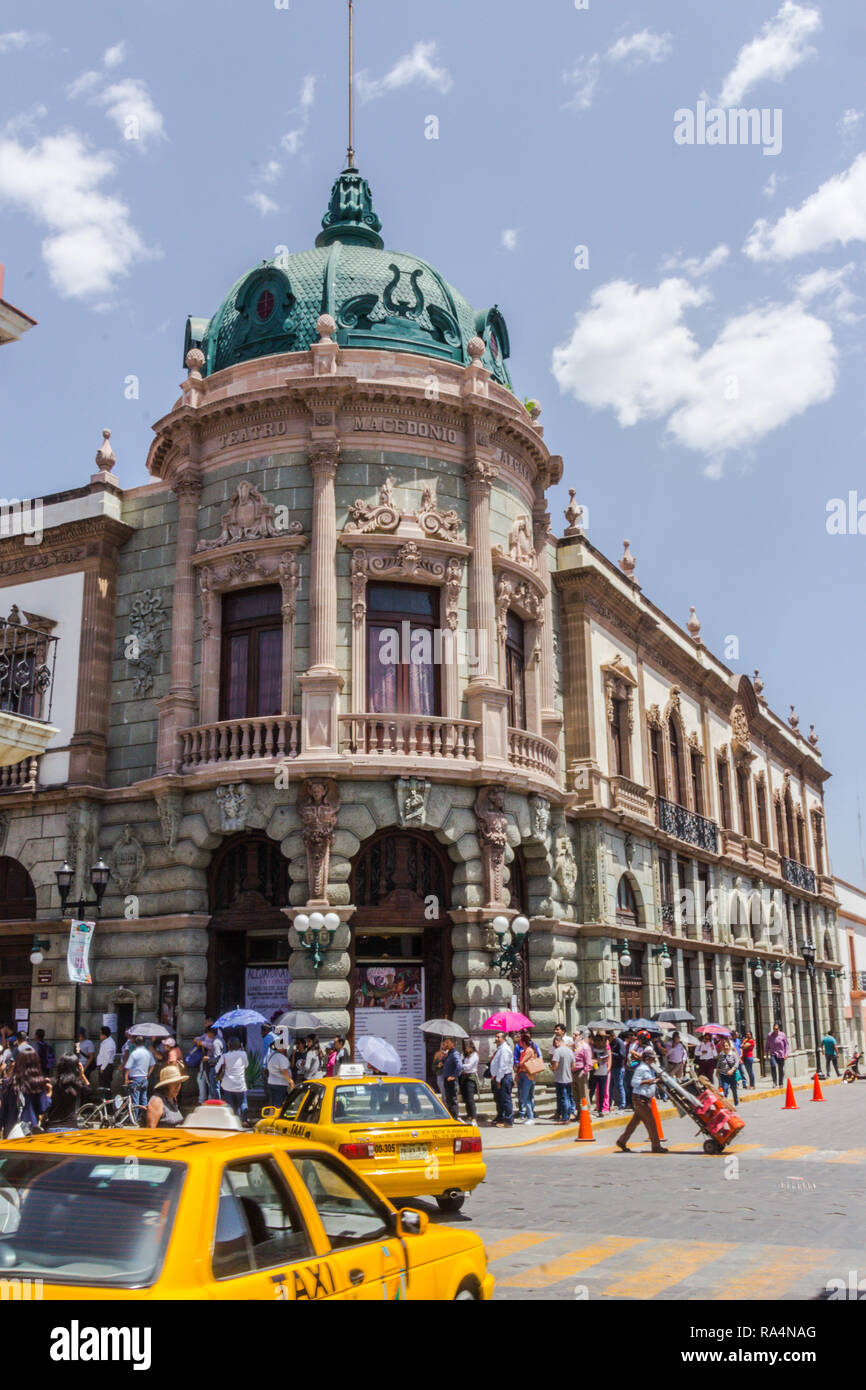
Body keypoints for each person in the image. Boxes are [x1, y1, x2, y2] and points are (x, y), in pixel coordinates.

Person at [615, 1047, 669, 1154]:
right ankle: (656, 1146)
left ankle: (622, 1141)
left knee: (634, 1123)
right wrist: (648, 1081)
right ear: (647, 1059)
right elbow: (633, 1083)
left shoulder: (650, 1069)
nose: (654, 1061)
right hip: (640, 1099)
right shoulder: (642, 1069)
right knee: (652, 1123)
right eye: (653, 1059)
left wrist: (656, 1080)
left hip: (645, 1099)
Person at [0, 1047, 50, 1138]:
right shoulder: (38, 1083)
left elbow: (3, 1110)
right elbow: (42, 1108)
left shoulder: (8, 1083)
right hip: (30, 1130)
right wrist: (49, 1094)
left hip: (11, 1129)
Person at [42, 1054, 93, 1131]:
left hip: (52, 1126)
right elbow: (89, 1090)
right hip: (71, 1127)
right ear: (77, 1067)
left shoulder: (51, 1082)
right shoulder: (76, 1084)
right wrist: (82, 1075)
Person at [146, 1064, 188, 1128]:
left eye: (179, 1083)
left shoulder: (172, 1100)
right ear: (165, 1085)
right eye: (174, 1083)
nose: (177, 1086)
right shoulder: (157, 1101)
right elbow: (151, 1129)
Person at [218, 1038, 249, 1121]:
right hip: (240, 1083)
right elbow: (246, 1065)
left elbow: (217, 1068)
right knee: (243, 1103)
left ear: (228, 1046)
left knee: (230, 1104)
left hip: (228, 1084)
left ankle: (232, 1120)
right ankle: (244, 1120)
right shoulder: (243, 1054)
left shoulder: (224, 1056)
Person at [515, 1030, 541, 1124]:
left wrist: (519, 1064)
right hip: (522, 1074)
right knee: (524, 1096)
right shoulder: (523, 1051)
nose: (519, 1043)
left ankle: (530, 1117)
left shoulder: (529, 1051)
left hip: (527, 1075)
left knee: (525, 1097)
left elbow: (521, 1062)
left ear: (524, 1042)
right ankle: (529, 1116)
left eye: (520, 1041)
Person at [124, 1036, 155, 1114]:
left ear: (135, 1043)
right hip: (144, 1078)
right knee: (144, 1098)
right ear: (144, 1043)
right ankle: (144, 1117)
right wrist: (148, 1074)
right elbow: (153, 1064)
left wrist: (126, 1079)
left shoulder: (134, 1053)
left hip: (135, 1078)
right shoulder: (148, 1052)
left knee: (135, 1099)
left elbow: (128, 1067)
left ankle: (135, 1118)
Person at [490, 1032, 514, 1128]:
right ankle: (501, 1118)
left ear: (504, 1038)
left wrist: (499, 1079)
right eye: (495, 1036)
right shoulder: (500, 1049)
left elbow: (503, 1066)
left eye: (498, 1037)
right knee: (499, 1099)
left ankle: (508, 1121)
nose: (496, 1038)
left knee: (505, 1100)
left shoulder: (504, 1050)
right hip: (499, 1077)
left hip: (503, 1077)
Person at [551, 1033, 576, 1124]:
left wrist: (552, 1067)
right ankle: (569, 1115)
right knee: (569, 1097)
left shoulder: (557, 1051)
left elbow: (555, 1065)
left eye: (554, 1043)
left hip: (560, 1078)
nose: (554, 1045)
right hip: (569, 1078)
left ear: (557, 1042)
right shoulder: (570, 1051)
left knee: (563, 1098)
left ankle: (565, 1118)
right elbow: (573, 1066)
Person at [266, 1040, 292, 1110]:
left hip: (271, 1082)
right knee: (278, 1106)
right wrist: (291, 1081)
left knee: (272, 1105)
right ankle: (275, 1119)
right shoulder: (281, 1057)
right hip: (280, 1084)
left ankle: (270, 1117)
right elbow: (284, 1071)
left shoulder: (270, 1056)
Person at [459, 1038, 480, 1123]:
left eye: (467, 1046)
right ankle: (469, 1116)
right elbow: (460, 1063)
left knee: (470, 1098)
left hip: (470, 1078)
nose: (466, 1048)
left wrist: (462, 1065)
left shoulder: (474, 1055)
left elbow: (469, 1066)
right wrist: (463, 1064)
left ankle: (474, 1116)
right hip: (463, 1077)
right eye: (465, 1046)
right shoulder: (464, 1055)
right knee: (466, 1098)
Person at [440, 1037, 462, 1120]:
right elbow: (445, 1062)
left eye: (448, 1042)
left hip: (451, 1080)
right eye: (445, 1042)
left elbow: (459, 1066)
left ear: (453, 1044)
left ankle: (455, 1117)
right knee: (448, 1099)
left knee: (453, 1099)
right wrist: (443, 1058)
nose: (446, 1044)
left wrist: (453, 1075)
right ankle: (451, 1116)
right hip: (446, 1079)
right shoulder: (449, 1053)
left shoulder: (455, 1053)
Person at [592, 1032, 612, 1116]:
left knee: (604, 1090)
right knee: (595, 1090)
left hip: (604, 1070)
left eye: (603, 1038)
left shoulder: (606, 1048)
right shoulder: (593, 1047)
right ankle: (598, 1106)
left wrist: (608, 1068)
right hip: (595, 1070)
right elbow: (592, 1058)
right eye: (599, 1038)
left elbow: (609, 1058)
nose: (601, 1040)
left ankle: (604, 1107)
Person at [716, 1039, 740, 1106]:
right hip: (724, 1075)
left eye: (727, 1046)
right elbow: (719, 1063)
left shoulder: (733, 1054)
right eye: (724, 1046)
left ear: (729, 1046)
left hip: (732, 1075)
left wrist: (732, 1070)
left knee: (734, 1090)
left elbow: (737, 1063)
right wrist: (717, 1071)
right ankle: (725, 1104)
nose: (726, 1047)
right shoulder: (721, 1054)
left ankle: (736, 1103)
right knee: (725, 1089)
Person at [95, 1026, 116, 1091]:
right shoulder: (105, 1042)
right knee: (103, 1086)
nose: (99, 1036)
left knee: (105, 1086)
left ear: (104, 1035)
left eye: (100, 1034)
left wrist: (102, 1068)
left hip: (106, 1066)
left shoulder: (109, 1043)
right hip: (104, 1066)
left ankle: (106, 1099)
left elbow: (107, 1057)